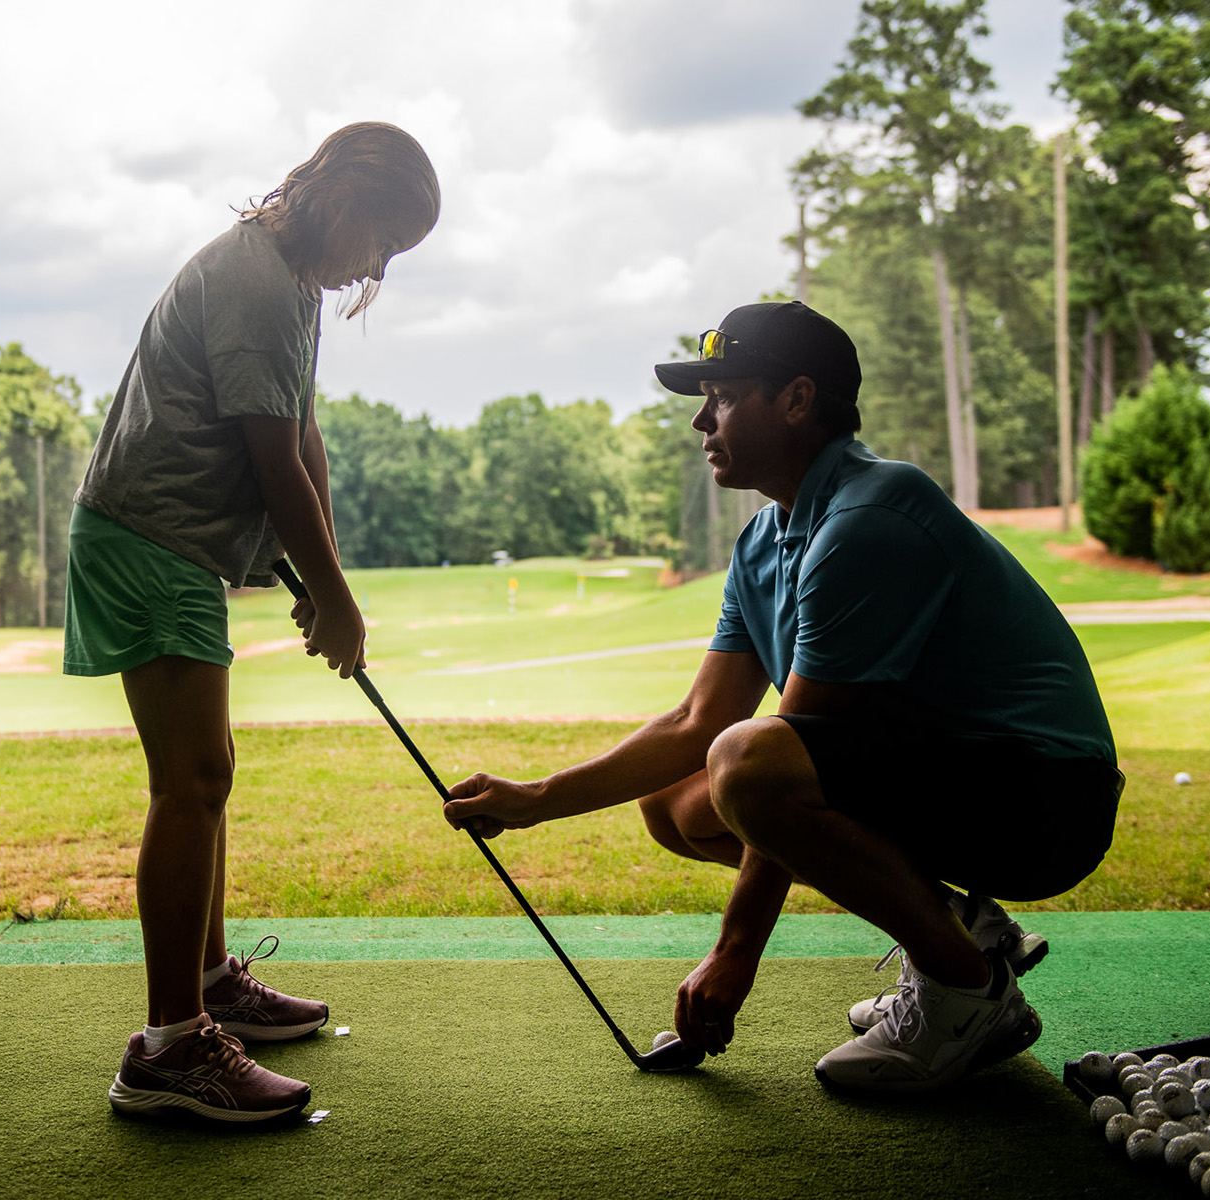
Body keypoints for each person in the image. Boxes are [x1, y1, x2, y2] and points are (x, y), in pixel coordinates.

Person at [443, 301, 1123, 1092]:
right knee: (676, 802)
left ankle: (969, 993)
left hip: (1046, 805)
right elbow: (697, 720)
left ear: (797, 400)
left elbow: (776, 761)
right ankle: (959, 931)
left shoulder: (870, 517)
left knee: (745, 763)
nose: (701, 421)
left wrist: (734, 953)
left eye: (724, 397)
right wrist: (534, 801)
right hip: (960, 780)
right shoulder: (767, 539)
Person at [63, 122, 439, 1122]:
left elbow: (302, 435)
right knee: (191, 781)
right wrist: (336, 600)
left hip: (175, 542)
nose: (379, 268)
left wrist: (324, 578)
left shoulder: (290, 281)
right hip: (147, 537)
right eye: (385, 242)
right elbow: (271, 464)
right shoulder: (259, 283)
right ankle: (171, 1048)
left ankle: (209, 985)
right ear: (347, 204)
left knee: (209, 772)